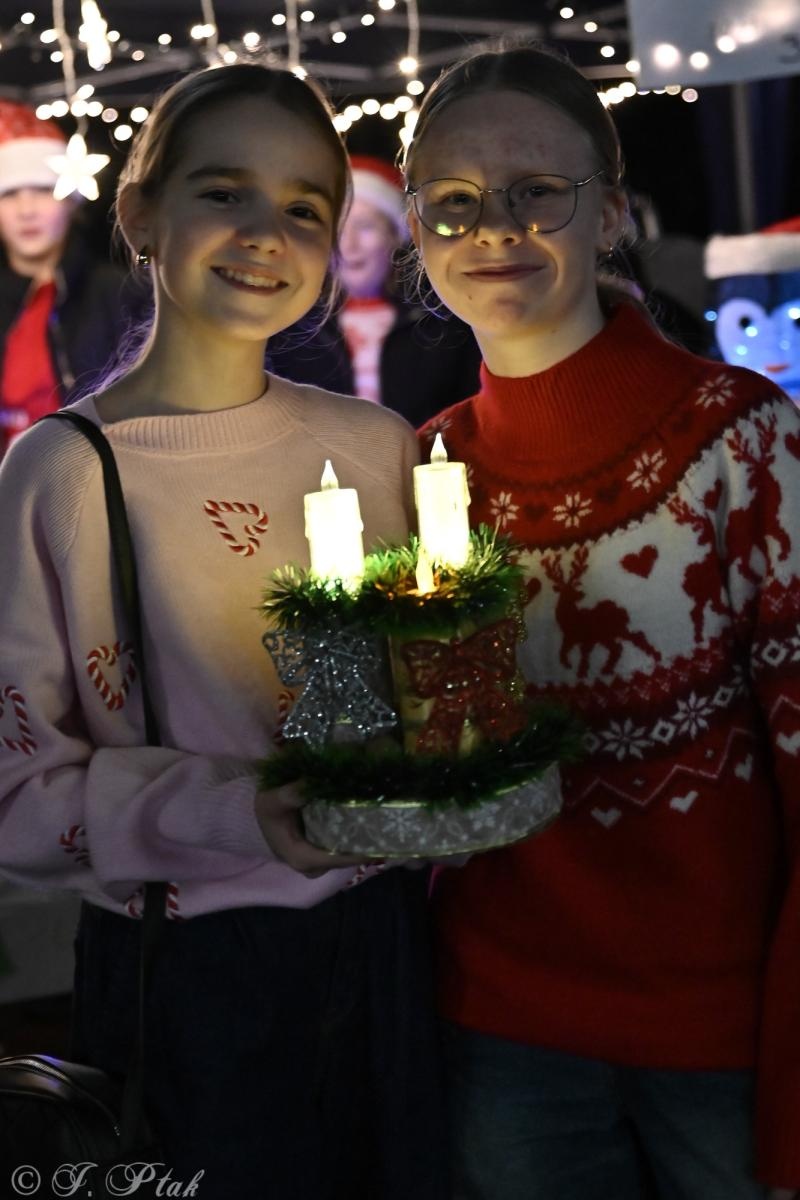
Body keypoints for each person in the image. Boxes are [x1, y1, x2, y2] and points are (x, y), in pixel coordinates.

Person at [0, 64, 447, 1200]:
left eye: (303, 206)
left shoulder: (375, 446)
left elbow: (424, 691)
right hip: (190, 981)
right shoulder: (66, 473)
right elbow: (18, 798)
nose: (264, 233)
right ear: (140, 212)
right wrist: (235, 810)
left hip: (391, 952)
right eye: (222, 191)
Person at [401, 42, 800, 1200]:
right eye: (453, 201)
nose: (493, 229)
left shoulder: (740, 441)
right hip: (503, 1034)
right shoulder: (425, 472)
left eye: (537, 191)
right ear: (418, 232)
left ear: (611, 214)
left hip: (724, 1036)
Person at [268, 154, 481, 426]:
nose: (349, 244)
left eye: (366, 227)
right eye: (339, 229)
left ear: (394, 236)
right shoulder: (295, 329)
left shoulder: (441, 326)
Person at [0, 100, 145, 457]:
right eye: (10, 193)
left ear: (71, 201)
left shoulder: (120, 293)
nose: (26, 210)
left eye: (42, 190)